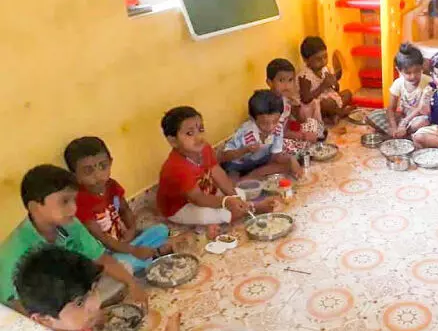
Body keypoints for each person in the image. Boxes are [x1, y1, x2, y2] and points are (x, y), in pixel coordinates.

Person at [0, 165, 147, 311]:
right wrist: (69, 320)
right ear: (35, 207)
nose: (73, 208)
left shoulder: (71, 224)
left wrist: (133, 285)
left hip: (72, 293)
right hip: (45, 309)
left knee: (124, 269)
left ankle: (88, 310)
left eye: (73, 200)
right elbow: (17, 306)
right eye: (64, 201)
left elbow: (102, 259)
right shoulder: (15, 252)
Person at [15, 246, 194, 331]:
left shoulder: (69, 329)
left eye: (92, 290)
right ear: (44, 320)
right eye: (79, 302)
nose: (95, 303)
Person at [65, 136, 171, 273]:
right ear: (74, 176)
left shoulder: (111, 185)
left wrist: (131, 230)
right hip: (107, 255)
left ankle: (146, 258)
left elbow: (125, 210)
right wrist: (134, 250)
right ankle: (150, 258)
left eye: (103, 166)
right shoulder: (79, 201)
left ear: (110, 163)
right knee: (121, 266)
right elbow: (102, 238)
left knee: (160, 230)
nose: (98, 175)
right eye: (88, 171)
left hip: (125, 243)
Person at [156, 106, 251, 239]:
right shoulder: (176, 167)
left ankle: (231, 211)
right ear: (173, 141)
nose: (199, 137)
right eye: (190, 133)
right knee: (216, 214)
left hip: (204, 192)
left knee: (240, 194)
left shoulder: (204, 148)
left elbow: (217, 173)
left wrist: (235, 198)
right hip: (180, 207)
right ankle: (249, 210)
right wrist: (226, 202)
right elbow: (197, 198)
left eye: (201, 130)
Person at [220, 90, 304, 181]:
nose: (270, 127)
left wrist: (291, 159)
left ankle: (252, 175)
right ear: (253, 119)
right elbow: (224, 156)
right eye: (264, 123)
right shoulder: (245, 132)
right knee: (231, 183)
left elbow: (276, 155)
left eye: (275, 121)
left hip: (260, 163)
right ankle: (247, 177)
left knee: (287, 166)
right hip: (238, 165)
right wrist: (244, 150)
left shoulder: (278, 129)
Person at [366, 43, 431, 137]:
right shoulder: (398, 83)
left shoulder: (428, 82)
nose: (413, 76)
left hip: (418, 118)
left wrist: (404, 124)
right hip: (403, 117)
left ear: (422, 67)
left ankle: (407, 134)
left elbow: (422, 109)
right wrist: (394, 127)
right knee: (373, 116)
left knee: (422, 122)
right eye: (408, 73)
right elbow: (391, 109)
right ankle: (400, 134)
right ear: (399, 70)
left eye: (417, 71)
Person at [265, 58, 324, 155]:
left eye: (290, 80)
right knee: (290, 146)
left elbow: (298, 121)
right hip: (273, 139)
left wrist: (296, 106)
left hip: (287, 132)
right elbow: (278, 132)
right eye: (281, 80)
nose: (287, 85)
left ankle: (306, 145)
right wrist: (302, 135)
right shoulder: (270, 103)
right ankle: (301, 150)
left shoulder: (286, 99)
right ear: (269, 82)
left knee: (313, 123)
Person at [298, 36, 353, 121]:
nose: (323, 61)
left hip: (328, 98)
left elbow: (336, 90)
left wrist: (334, 83)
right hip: (315, 105)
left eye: (325, 57)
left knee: (348, 93)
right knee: (328, 104)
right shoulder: (305, 76)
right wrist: (323, 86)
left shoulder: (325, 69)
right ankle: (338, 113)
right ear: (306, 60)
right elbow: (305, 99)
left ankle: (334, 114)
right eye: (318, 59)